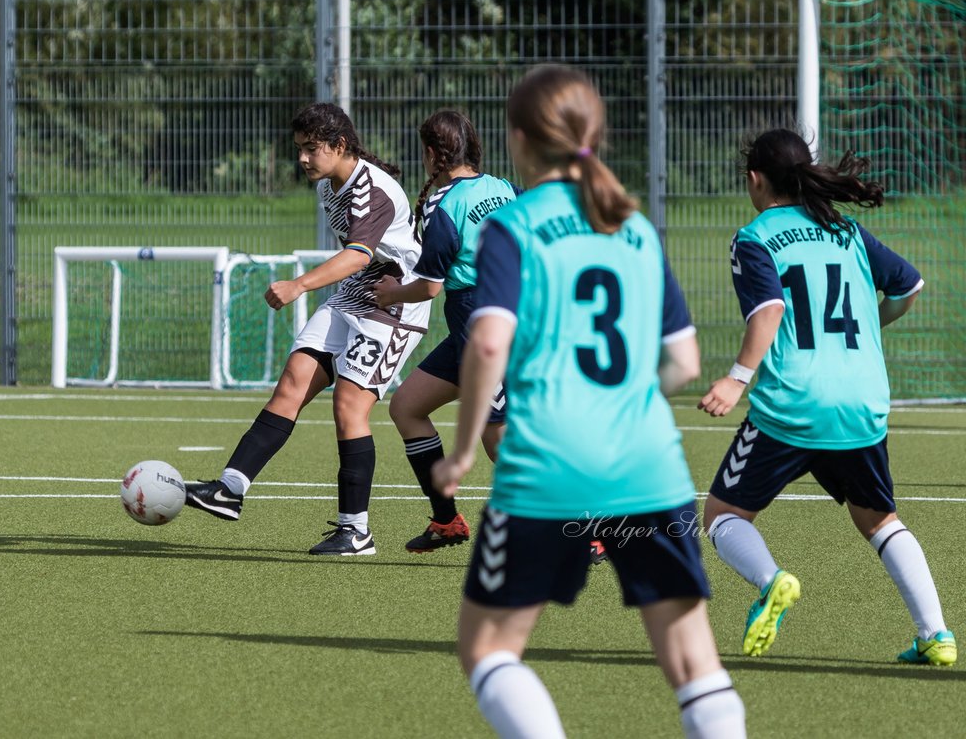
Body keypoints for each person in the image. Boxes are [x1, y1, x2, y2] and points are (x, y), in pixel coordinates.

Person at [433, 64, 745, 739]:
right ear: (592, 135)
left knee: (487, 649)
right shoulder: (633, 225)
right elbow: (684, 362)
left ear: (518, 139)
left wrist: (461, 451)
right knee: (694, 663)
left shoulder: (513, 225)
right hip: (648, 468)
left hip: (549, 466)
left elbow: (487, 346)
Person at [697, 128, 956, 666]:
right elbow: (910, 288)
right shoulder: (847, 230)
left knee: (722, 516)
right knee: (880, 520)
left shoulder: (755, 236)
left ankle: (771, 583)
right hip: (862, 402)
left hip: (793, 404)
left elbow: (769, 312)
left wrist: (735, 379)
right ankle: (937, 635)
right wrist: (867, 326)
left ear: (755, 179)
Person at [184, 102, 431, 556]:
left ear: (339, 145)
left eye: (310, 148)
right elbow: (359, 263)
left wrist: (299, 285)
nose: (301, 158)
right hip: (358, 293)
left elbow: (358, 254)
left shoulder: (370, 191)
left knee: (348, 405)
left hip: (395, 304)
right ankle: (230, 488)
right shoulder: (331, 186)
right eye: (298, 148)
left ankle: (355, 531)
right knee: (292, 382)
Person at [371, 109, 518, 553]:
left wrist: (392, 293)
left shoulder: (444, 205)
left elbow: (432, 287)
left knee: (499, 441)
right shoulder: (502, 187)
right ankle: (446, 519)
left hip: (485, 325)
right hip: (485, 323)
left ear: (432, 153)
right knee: (408, 407)